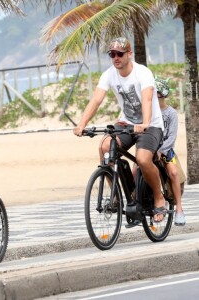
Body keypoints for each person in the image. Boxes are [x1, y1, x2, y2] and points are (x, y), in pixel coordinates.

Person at [73, 37, 166, 223]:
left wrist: (145, 123)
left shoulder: (143, 73)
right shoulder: (109, 74)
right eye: (112, 54)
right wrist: (81, 124)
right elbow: (96, 100)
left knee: (142, 159)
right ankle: (118, 195)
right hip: (126, 123)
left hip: (151, 125)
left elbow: (147, 100)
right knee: (105, 147)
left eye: (119, 54)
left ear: (129, 54)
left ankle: (158, 197)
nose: (115, 58)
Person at [155, 78, 186, 226]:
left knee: (173, 173)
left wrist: (161, 150)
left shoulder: (171, 113)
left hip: (167, 151)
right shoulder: (148, 113)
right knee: (136, 171)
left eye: (159, 93)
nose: (156, 96)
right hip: (150, 149)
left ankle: (179, 208)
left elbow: (172, 138)